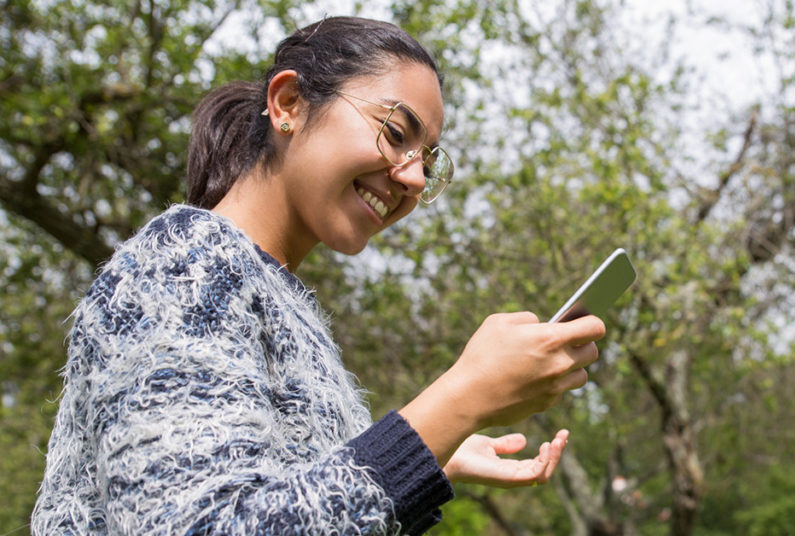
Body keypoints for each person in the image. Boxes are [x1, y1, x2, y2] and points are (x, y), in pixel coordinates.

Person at [31, 15, 605, 536]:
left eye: (428, 163)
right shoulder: (181, 264)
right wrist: (458, 401)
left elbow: (283, 505)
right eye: (397, 133)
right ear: (288, 103)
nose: (412, 179)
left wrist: (430, 451)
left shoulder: (283, 304)